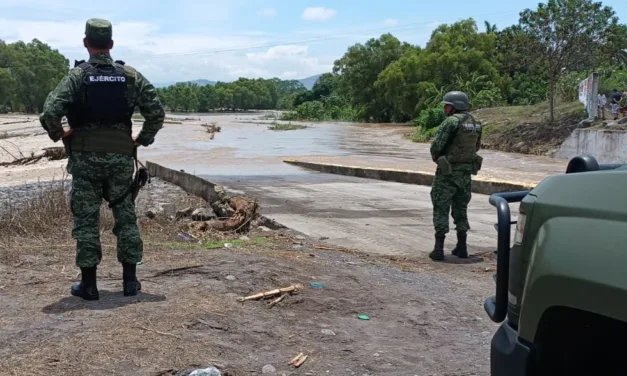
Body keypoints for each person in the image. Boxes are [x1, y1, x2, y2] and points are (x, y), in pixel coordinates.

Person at [39, 18, 165, 300]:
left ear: (86, 43)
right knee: (125, 216)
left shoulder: (78, 76)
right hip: (121, 158)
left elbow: (50, 111)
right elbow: (156, 112)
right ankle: (130, 283)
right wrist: (141, 139)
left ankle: (89, 286)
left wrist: (63, 135)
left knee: (86, 219)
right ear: (111, 44)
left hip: (85, 160)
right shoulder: (130, 76)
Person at [428, 91, 483, 261]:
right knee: (461, 208)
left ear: (454, 106)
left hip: (447, 173)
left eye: (447, 105)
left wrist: (439, 157)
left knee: (441, 206)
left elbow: (436, 146)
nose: (445, 108)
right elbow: (477, 147)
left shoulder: (451, 122)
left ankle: (438, 249)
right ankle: (462, 247)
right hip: (465, 174)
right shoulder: (476, 123)